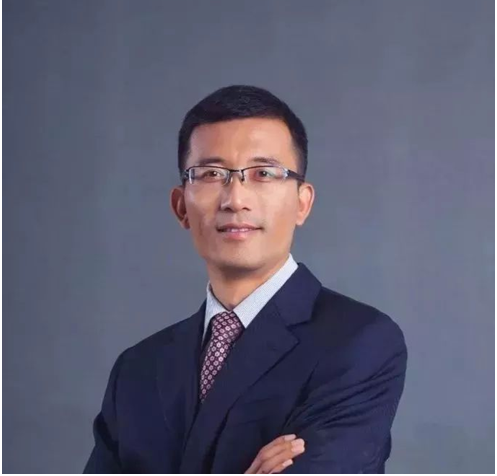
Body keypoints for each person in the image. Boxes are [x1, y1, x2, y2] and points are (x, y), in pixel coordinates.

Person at [84, 85, 408, 474]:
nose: (235, 199)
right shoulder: (136, 370)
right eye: (211, 174)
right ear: (180, 206)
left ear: (302, 202)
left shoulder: (358, 342)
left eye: (263, 173)